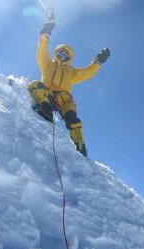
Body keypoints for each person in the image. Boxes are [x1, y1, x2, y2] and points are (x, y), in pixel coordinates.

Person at [28, 22, 110, 157]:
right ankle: (45, 110)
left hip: (64, 100)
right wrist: (45, 34)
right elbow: (41, 51)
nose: (62, 56)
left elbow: (87, 72)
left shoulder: (70, 72)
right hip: (47, 93)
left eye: (66, 54)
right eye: (60, 53)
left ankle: (80, 145)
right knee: (35, 85)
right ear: (56, 54)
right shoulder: (48, 65)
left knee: (73, 118)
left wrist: (98, 61)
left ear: (69, 58)